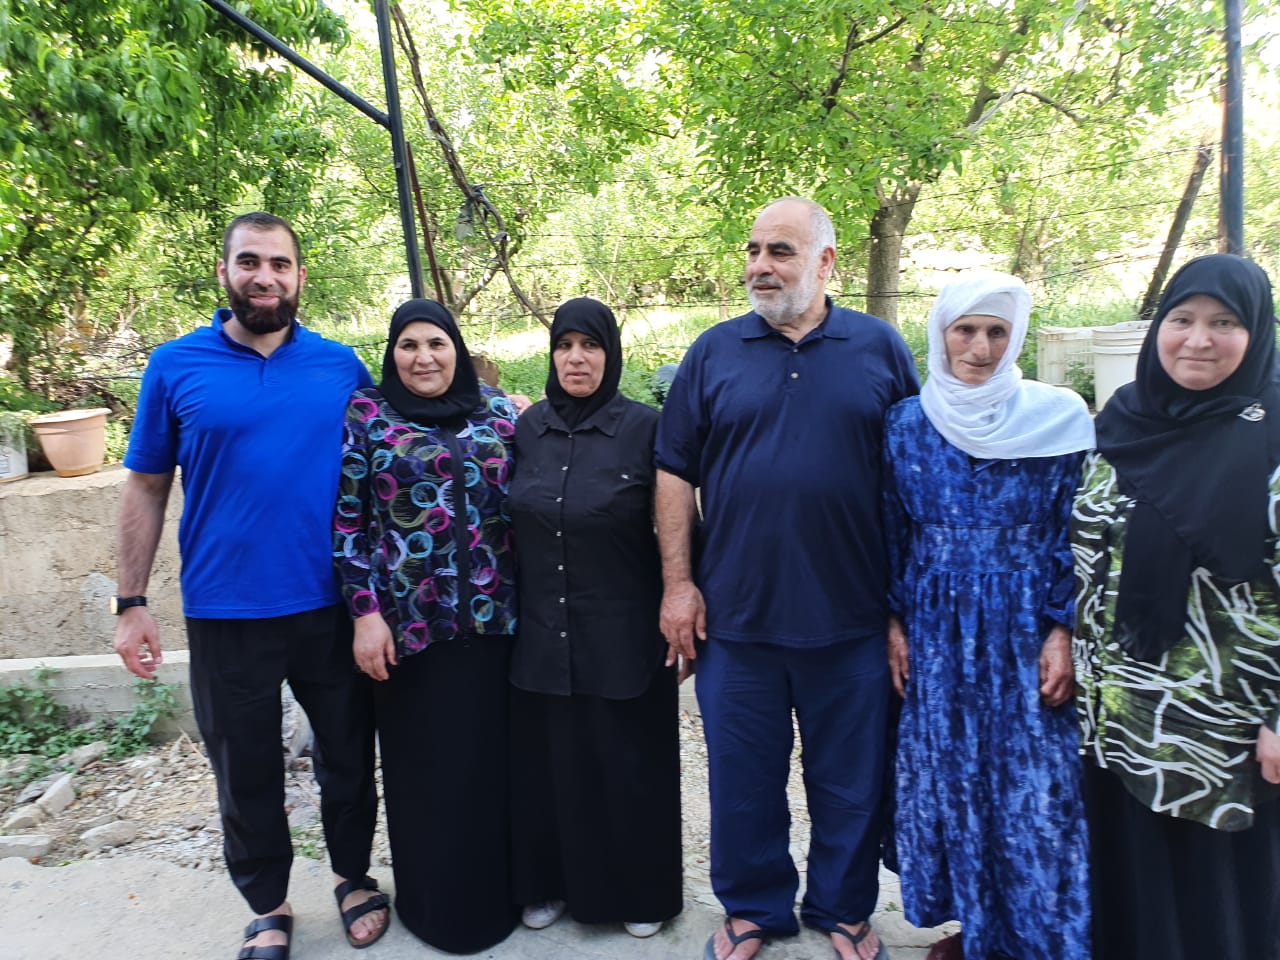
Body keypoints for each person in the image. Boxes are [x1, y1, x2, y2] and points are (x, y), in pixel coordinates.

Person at [114, 212, 389, 959]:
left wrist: (502, 413)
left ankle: (353, 876)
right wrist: (131, 602)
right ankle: (268, 905)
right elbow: (145, 485)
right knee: (244, 768)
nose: (264, 277)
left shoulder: (339, 366)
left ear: (300, 276)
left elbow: (395, 447)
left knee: (347, 755)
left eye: (279, 264)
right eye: (249, 262)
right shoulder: (175, 365)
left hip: (333, 605)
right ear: (224, 272)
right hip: (225, 608)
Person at [657, 197, 919, 960]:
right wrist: (679, 585)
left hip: (852, 620)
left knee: (849, 784)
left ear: (826, 262)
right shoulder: (714, 352)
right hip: (737, 620)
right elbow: (673, 471)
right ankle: (753, 909)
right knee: (743, 785)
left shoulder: (878, 347)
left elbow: (913, 479)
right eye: (753, 250)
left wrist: (901, 612)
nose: (760, 266)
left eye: (780, 250)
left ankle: (843, 908)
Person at [882, 272, 1095, 960]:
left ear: (1017, 337)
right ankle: (976, 930)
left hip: (1026, 624)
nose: (980, 347)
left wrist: (1063, 628)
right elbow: (891, 530)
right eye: (966, 330)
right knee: (955, 778)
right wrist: (893, 624)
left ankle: (1043, 938)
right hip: (937, 628)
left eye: (997, 331)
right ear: (941, 334)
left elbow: (1079, 531)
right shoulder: (907, 424)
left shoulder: (1059, 418)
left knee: (1036, 788)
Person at [1074, 253, 1280, 960]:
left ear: (1257, 332)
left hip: (1218, 736)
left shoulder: (1271, 439)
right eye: (1182, 319)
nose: (1198, 340)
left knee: (1212, 903)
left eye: (1224, 323)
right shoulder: (1125, 420)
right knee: (1131, 891)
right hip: (1116, 723)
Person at [333, 298, 520, 954]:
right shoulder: (368, 414)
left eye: (437, 344)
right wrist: (365, 615)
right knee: (425, 773)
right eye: (409, 345)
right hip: (410, 632)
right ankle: (433, 908)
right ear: (392, 353)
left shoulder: (497, 411)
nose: (423, 358)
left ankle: (501, 898)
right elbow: (348, 524)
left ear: (456, 350)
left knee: (492, 768)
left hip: (495, 625)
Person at [507, 297, 683, 939]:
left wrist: (680, 603)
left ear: (612, 354)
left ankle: (641, 892)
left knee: (628, 768)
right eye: (564, 345)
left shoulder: (647, 428)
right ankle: (551, 883)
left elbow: (678, 527)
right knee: (552, 769)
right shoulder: (527, 429)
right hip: (543, 633)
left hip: (624, 634)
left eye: (590, 346)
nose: (576, 359)